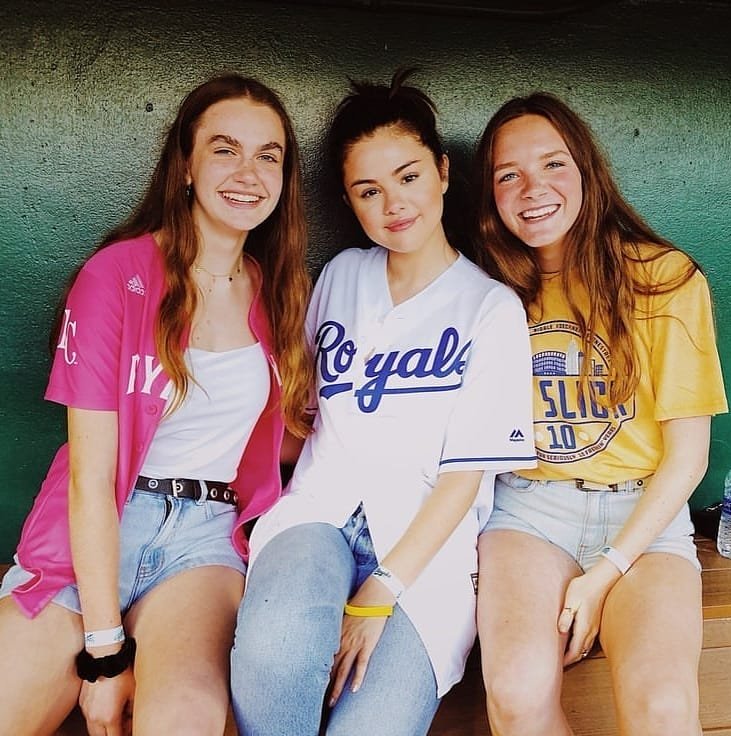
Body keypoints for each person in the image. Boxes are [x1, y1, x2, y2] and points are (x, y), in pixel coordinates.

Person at [0, 73, 312, 736]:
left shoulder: (277, 291)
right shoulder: (117, 275)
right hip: (100, 524)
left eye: (269, 155)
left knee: (186, 716)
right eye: (225, 149)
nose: (249, 173)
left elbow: (279, 440)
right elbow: (90, 480)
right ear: (186, 166)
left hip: (205, 540)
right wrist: (105, 656)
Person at [229, 69, 536, 736]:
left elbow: (463, 480)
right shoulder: (340, 277)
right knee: (276, 656)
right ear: (350, 200)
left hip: (427, 555)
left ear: (443, 172)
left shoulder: (490, 308)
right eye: (369, 190)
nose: (394, 203)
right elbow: (301, 417)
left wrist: (378, 596)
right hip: (318, 512)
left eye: (408, 176)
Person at [473, 91, 728, 736]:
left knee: (663, 706)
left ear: (587, 170)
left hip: (644, 514)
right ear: (490, 195)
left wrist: (605, 572)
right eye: (508, 175)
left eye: (553, 164)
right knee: (518, 695)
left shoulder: (664, 278)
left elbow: (689, 455)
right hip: (528, 511)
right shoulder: (486, 291)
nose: (533, 189)